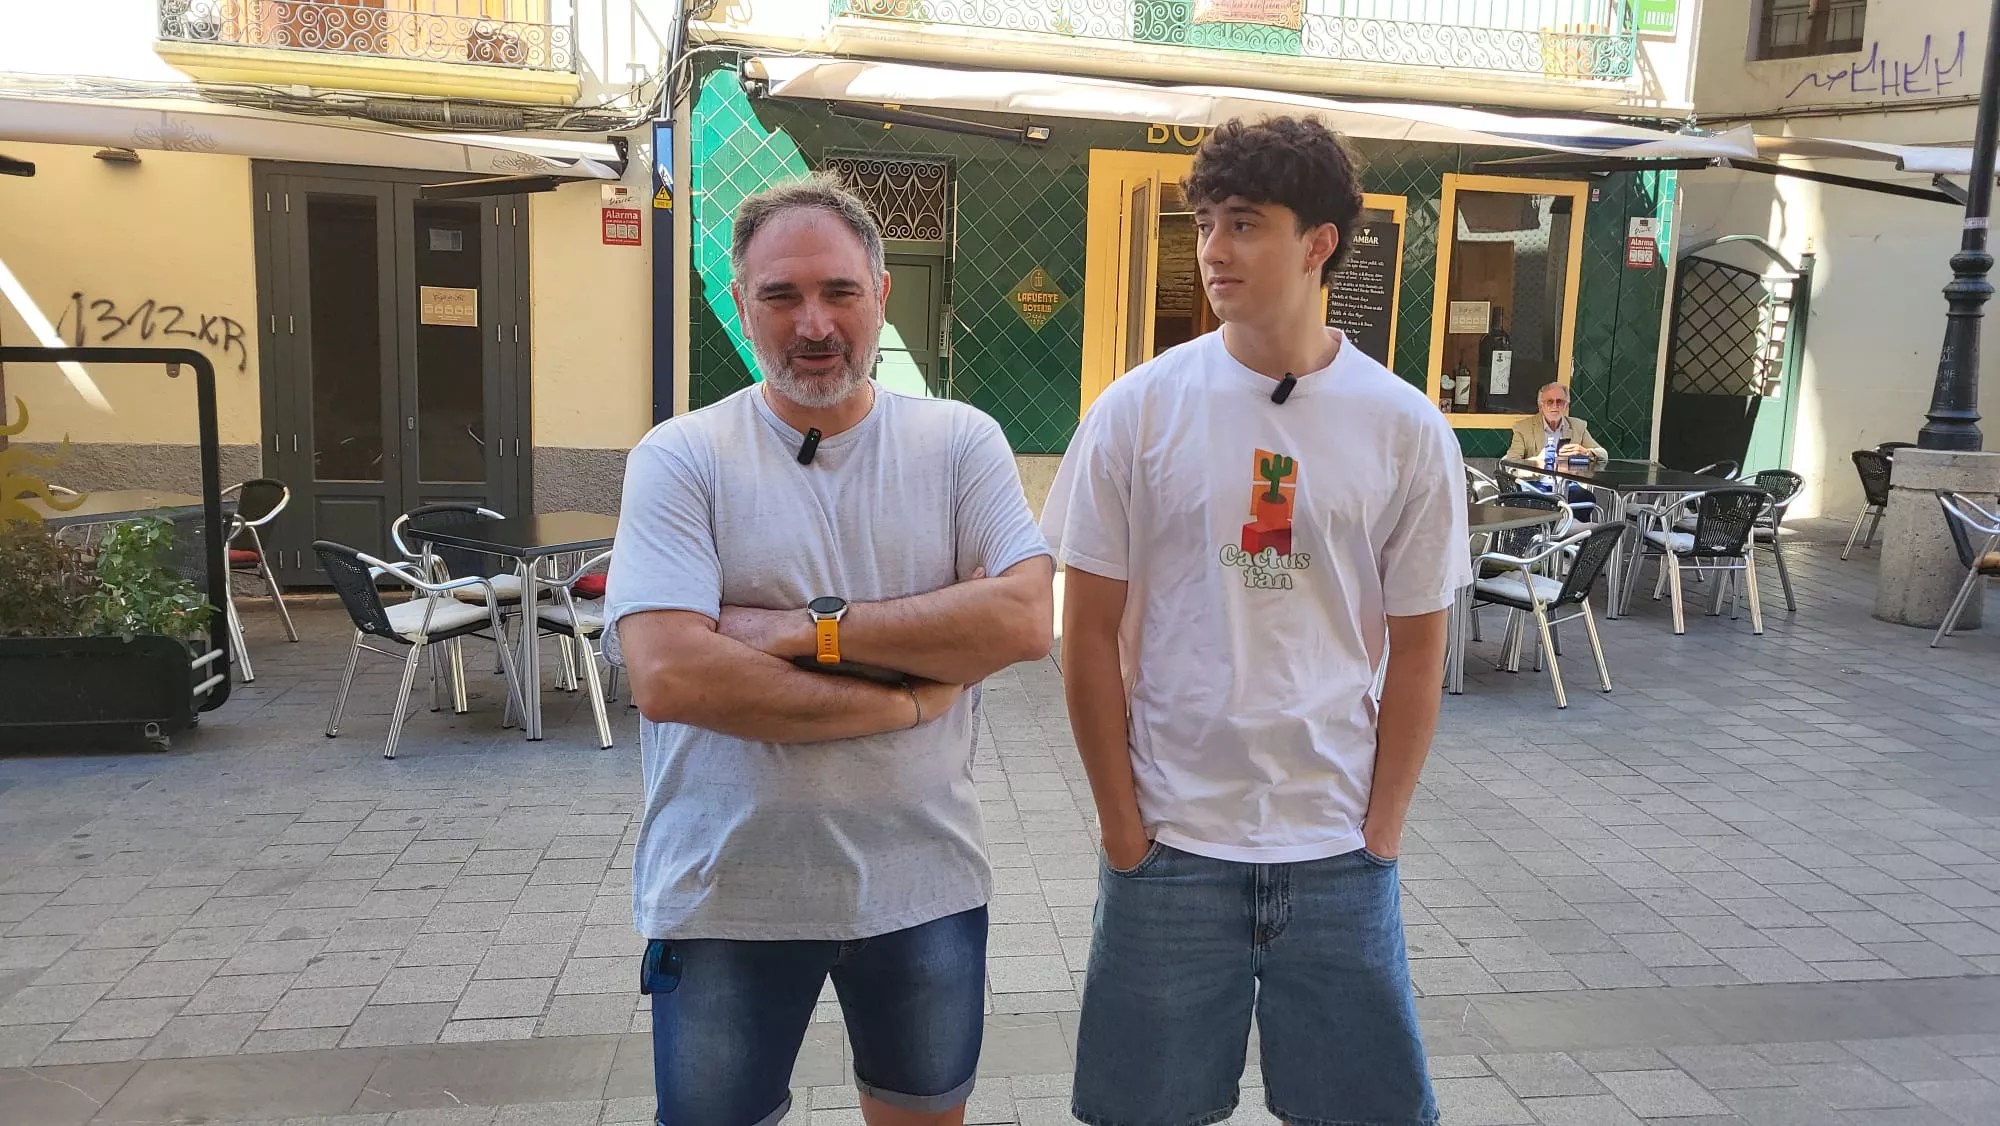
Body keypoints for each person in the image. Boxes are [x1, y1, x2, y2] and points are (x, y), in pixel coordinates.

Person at [605, 174, 1054, 1126]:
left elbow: (1021, 620)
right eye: (782, 296)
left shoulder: (960, 443)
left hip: (921, 885)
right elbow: (672, 673)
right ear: (742, 306)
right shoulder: (683, 457)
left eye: (839, 293)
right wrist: (903, 699)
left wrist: (809, 633)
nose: (814, 324)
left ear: (881, 294)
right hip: (726, 895)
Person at [1042, 116, 1463, 1126]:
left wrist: (1381, 830)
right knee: (1140, 1113)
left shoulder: (1403, 427)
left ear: (1317, 242)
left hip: (1333, 847)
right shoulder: (1137, 410)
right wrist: (1120, 828)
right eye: (1204, 224)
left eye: (1243, 223)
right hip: (1173, 842)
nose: (1213, 250)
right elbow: (1083, 631)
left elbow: (1417, 648)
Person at [1506, 381, 1607, 465]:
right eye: (1549, 401)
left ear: (1566, 406)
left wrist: (1587, 453)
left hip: (1568, 482)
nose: (1555, 406)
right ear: (1541, 406)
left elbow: (1603, 455)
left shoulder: (1578, 426)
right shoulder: (1523, 428)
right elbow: (1511, 463)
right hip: (1536, 482)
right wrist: (1538, 461)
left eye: (1559, 401)